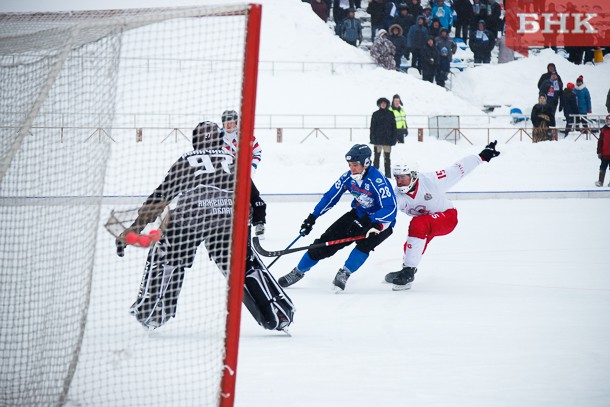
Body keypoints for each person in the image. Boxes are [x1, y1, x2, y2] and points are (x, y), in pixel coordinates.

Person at [116, 121, 293, 331]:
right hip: (230, 220)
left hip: (191, 220)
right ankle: (278, 313)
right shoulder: (232, 158)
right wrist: (258, 219)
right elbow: (254, 196)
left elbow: (161, 196)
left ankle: (151, 313)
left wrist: (135, 228)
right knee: (246, 265)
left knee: (167, 257)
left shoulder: (187, 160)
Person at [277, 144, 397, 291]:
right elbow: (330, 197)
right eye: (349, 165)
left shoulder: (377, 181)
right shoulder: (348, 177)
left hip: (381, 222)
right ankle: (298, 272)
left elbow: (391, 208)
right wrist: (313, 217)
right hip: (358, 214)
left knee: (365, 245)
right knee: (325, 242)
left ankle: (344, 273)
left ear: (366, 163)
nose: (351, 168)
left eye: (355, 165)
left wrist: (376, 224)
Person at [385, 141, 501, 290]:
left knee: (418, 224)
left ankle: (408, 271)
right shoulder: (397, 195)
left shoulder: (432, 181)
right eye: (397, 177)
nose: (399, 182)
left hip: (447, 217)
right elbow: (388, 209)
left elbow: (458, 169)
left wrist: (481, 157)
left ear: (414, 176)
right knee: (413, 242)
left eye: (403, 177)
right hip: (427, 221)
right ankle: (407, 268)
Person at [221, 109, 266, 238]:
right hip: (222, 177)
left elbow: (257, 152)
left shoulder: (246, 135)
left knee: (254, 197)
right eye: (227, 124)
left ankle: (259, 223)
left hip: (242, 175)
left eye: (232, 123)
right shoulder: (217, 137)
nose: (230, 126)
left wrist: (252, 166)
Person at [370, 97, 397, 177]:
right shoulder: (375, 114)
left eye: (384, 103)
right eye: (381, 103)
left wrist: (393, 139)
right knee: (376, 157)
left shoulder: (390, 114)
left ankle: (388, 175)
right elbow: (372, 127)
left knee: (387, 158)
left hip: (387, 141)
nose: (383, 104)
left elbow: (394, 128)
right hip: (377, 141)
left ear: (387, 104)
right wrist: (372, 138)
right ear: (379, 104)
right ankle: (374, 174)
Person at [595, 115, 610, 187]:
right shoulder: (603, 130)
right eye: (608, 120)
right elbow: (600, 142)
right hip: (605, 154)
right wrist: (599, 151)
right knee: (602, 167)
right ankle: (600, 181)